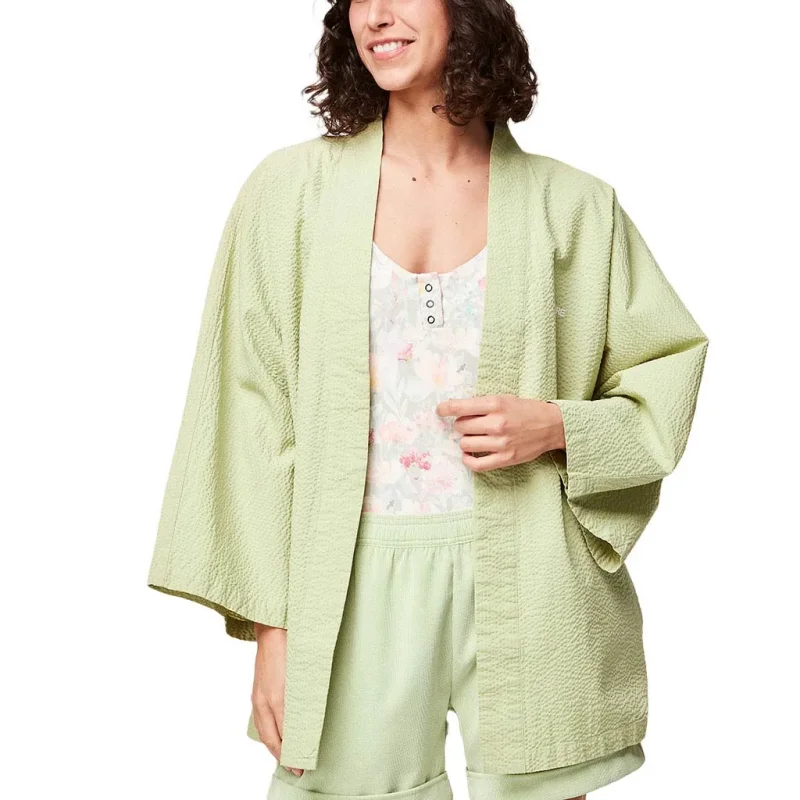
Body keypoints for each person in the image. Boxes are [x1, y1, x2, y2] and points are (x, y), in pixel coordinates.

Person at [147, 2, 709, 799]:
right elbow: (250, 415)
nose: (378, 15)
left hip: (533, 570)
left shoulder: (573, 205)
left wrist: (557, 426)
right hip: (347, 581)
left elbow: (665, 370)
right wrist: (275, 628)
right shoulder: (291, 193)